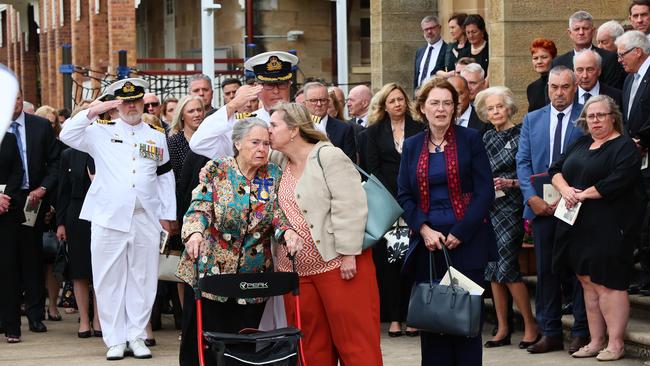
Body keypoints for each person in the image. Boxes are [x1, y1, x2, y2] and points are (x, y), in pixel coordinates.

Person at [59, 78, 176, 360]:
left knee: (143, 277)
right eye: (125, 101)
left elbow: (164, 177)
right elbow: (66, 135)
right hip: (108, 217)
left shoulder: (156, 134)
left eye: (135, 100)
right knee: (108, 278)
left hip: (145, 217)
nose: (132, 106)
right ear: (117, 104)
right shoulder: (99, 131)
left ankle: (136, 335)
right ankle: (114, 339)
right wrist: (92, 110)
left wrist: (167, 215)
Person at [176, 118, 302, 366]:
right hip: (211, 269)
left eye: (266, 143)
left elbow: (277, 213)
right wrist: (194, 233)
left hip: (253, 275)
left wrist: (287, 232)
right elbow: (200, 207)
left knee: (241, 342)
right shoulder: (217, 169)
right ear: (237, 143)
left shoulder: (273, 174)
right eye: (255, 142)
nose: (262, 149)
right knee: (199, 340)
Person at [266, 102, 382, 365]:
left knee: (356, 345)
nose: (268, 130)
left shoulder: (328, 156)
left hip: (340, 265)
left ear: (294, 129)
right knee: (311, 349)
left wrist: (349, 253)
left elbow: (350, 205)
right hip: (297, 272)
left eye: (274, 125)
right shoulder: (277, 160)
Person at [397, 77, 495, 366]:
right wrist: (424, 229)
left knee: (465, 324)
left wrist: (462, 232)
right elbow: (403, 195)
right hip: (428, 246)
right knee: (434, 322)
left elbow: (485, 191)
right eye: (435, 103)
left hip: (467, 241)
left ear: (455, 108)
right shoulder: (412, 145)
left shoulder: (471, 139)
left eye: (447, 103)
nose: (441, 109)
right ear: (423, 108)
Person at [549, 95, 646, 361]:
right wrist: (565, 189)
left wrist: (581, 195)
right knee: (587, 283)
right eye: (591, 116)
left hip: (610, 226)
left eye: (601, 115)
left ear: (613, 117)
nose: (595, 121)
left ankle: (615, 344)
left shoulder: (625, 147)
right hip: (577, 225)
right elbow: (555, 169)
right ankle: (595, 341)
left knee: (609, 285)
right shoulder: (581, 142)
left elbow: (617, 181)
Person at [515, 66, 589, 354]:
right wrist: (531, 198)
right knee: (546, 271)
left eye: (565, 87)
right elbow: (523, 163)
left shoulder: (587, 117)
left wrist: (571, 196)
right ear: (548, 89)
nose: (559, 93)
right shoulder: (533, 119)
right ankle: (551, 331)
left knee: (578, 270)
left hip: (575, 206)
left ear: (575, 88)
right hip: (541, 208)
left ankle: (581, 331)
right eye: (554, 87)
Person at [474, 86, 539, 349]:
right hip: (489, 207)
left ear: (509, 107)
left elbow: (530, 171)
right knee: (491, 268)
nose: (495, 112)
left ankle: (530, 325)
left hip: (512, 206)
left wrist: (511, 182)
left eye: (499, 106)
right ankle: (502, 328)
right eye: (490, 108)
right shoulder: (486, 137)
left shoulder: (523, 132)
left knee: (508, 267)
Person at [365, 83, 424, 338]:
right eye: (392, 101)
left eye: (401, 99)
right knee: (393, 262)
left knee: (415, 260)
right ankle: (396, 317)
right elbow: (371, 169)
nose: (398, 104)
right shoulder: (372, 133)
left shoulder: (419, 128)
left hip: (418, 204)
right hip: (390, 207)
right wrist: (394, 197)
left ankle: (413, 316)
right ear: (384, 106)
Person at [7, 89, 61, 334]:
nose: (13, 103)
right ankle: (6, 318)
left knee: (32, 259)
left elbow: (56, 162)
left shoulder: (39, 126)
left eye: (17, 97)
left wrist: (43, 188)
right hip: (5, 198)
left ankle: (36, 315)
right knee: (6, 261)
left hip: (33, 199)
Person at [190, 51, 299, 159]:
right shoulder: (242, 124)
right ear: (257, 87)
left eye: (282, 84)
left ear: (289, 85)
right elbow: (198, 143)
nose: (276, 91)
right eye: (269, 85)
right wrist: (233, 105)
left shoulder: (306, 121)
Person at [617, 30, 650, 296]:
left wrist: (642, 140)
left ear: (637, 51)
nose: (618, 60)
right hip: (636, 161)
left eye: (621, 54)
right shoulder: (630, 80)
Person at [55, 147, 101, 338]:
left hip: (102, 211)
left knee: (101, 269)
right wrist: (61, 224)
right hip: (77, 213)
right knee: (79, 270)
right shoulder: (68, 154)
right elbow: (63, 190)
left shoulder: (105, 147)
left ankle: (99, 319)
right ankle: (83, 319)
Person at [552, 11, 626, 89]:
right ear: (570, 33)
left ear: (593, 31)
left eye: (585, 28)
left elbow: (613, 92)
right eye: (577, 29)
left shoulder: (610, 59)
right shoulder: (558, 63)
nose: (581, 32)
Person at [0, 133, 26, 343]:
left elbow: (18, 172)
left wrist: (4, 198)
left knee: (9, 268)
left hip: (7, 211)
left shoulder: (9, 138)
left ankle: (12, 326)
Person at [302, 81, 356, 162]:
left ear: (328, 102)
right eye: (314, 100)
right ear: (304, 103)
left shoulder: (344, 129)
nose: (319, 104)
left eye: (323, 100)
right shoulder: (297, 128)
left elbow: (350, 162)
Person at [414, 15, 447, 89]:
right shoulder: (420, 51)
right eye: (426, 29)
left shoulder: (448, 50)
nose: (429, 32)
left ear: (439, 28)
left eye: (432, 28)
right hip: (419, 96)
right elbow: (416, 77)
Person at [527, 38, 558, 112]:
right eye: (535, 58)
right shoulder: (531, 88)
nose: (539, 61)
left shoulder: (562, 84)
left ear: (554, 58)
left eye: (544, 57)